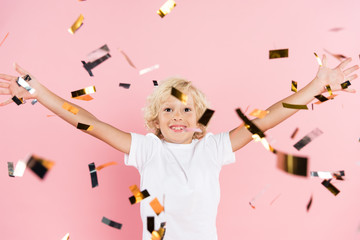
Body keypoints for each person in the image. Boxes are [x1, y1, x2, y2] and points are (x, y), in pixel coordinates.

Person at [0, 55, 358, 240]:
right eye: (168, 109)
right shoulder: (146, 150)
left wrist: (315, 86)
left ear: (199, 119)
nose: (178, 115)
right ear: (155, 120)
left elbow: (265, 120)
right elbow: (87, 121)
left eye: (187, 108)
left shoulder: (215, 148)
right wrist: (36, 92)